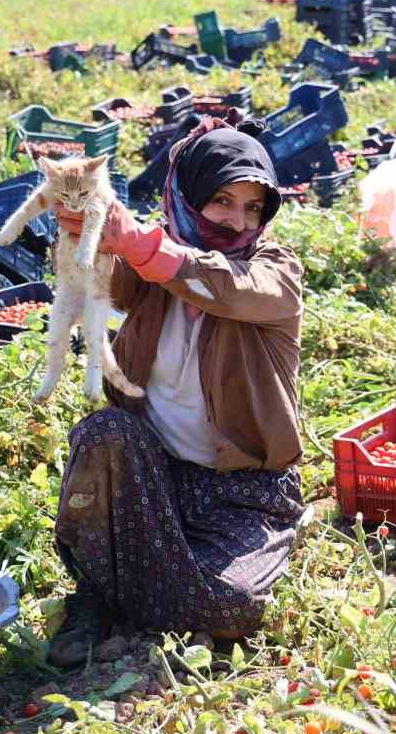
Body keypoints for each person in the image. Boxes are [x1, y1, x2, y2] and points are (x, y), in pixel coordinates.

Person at [44, 119, 305, 666]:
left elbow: (224, 286)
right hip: (156, 476)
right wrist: (85, 229)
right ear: (187, 199)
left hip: (242, 494)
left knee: (231, 606)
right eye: (222, 201)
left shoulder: (274, 274)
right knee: (105, 431)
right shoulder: (149, 265)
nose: (238, 220)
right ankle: (98, 594)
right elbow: (91, 275)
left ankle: (131, 594)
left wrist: (141, 243)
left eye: (253, 207)